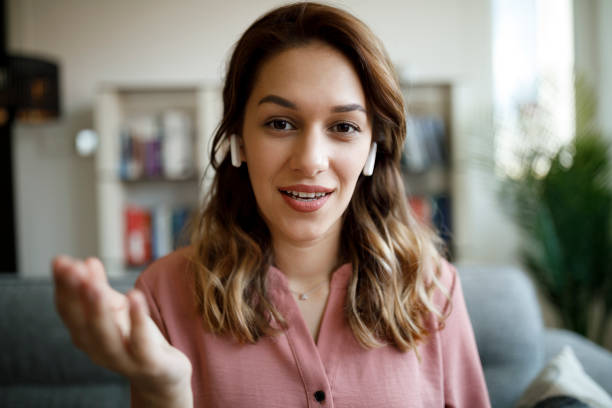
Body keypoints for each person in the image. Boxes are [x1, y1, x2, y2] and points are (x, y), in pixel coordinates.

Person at [52, 2, 490, 407]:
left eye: (343, 126)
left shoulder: (433, 287)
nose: (310, 160)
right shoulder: (162, 295)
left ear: (373, 147)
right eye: (280, 123)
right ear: (240, 139)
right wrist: (164, 391)